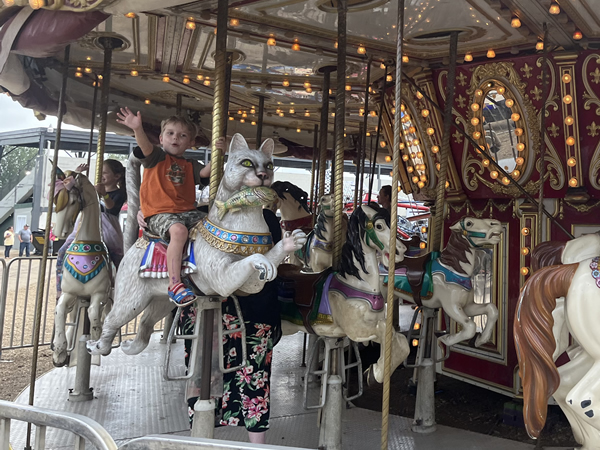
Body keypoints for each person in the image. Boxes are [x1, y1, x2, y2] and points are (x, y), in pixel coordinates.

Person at [116, 107, 210, 307]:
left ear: (191, 143)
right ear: (161, 138)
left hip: (188, 212)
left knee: (213, 228)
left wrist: (221, 152)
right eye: (171, 133)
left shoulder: (190, 163)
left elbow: (205, 173)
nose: (176, 138)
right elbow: (145, 146)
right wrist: (137, 129)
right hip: (160, 213)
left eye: (183, 135)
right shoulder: (156, 157)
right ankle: (174, 283)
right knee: (178, 231)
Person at [56, 160, 127, 298]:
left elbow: (111, 208)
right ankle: (60, 288)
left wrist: (104, 194)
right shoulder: (91, 190)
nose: (101, 175)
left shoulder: (119, 193)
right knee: (62, 252)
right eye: (100, 172)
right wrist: (77, 173)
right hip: (83, 226)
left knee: (116, 259)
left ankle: (119, 290)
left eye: (105, 172)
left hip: (107, 229)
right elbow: (75, 194)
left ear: (117, 176)